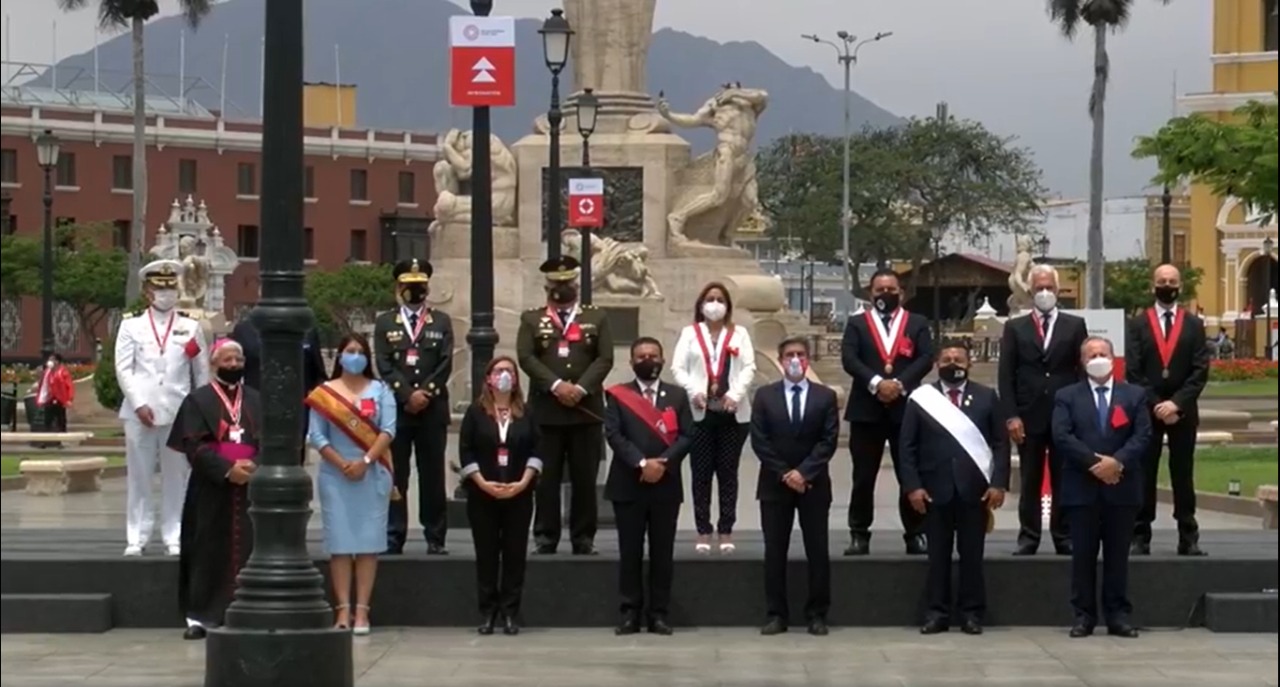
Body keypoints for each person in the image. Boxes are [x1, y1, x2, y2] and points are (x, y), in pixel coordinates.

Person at [899, 342, 1010, 636]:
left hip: (975, 491)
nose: (952, 363)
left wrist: (998, 483)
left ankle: (972, 614)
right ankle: (937, 613)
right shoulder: (922, 399)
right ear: (937, 364)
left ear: (969, 363)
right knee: (938, 558)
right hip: (934, 491)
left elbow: (1000, 444)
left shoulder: (987, 397)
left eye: (958, 358)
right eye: (946, 359)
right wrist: (913, 487)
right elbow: (906, 447)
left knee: (972, 557)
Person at [1051, 337, 1150, 639]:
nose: (1097, 357)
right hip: (1082, 489)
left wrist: (1116, 462)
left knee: (1118, 557)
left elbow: (1142, 435)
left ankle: (1118, 616)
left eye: (1102, 353)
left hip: (1122, 488)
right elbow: (1062, 435)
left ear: (1113, 357)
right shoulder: (1066, 396)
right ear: (1082, 361)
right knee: (1083, 556)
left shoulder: (1134, 395)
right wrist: (1096, 463)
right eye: (1091, 354)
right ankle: (1083, 616)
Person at [516, 255, 615, 555]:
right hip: (548, 410)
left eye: (567, 283)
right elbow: (526, 357)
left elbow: (605, 357)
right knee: (546, 480)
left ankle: (583, 537)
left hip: (586, 410)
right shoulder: (532, 319)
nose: (561, 288)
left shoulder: (595, 317)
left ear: (576, 284)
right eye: (555, 284)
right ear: (547, 286)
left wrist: (581, 388)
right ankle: (546, 536)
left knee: (585, 480)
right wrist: (558, 386)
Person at [166, 338, 261, 640]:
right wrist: (226, 470)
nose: (233, 365)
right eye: (227, 359)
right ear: (213, 363)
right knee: (206, 548)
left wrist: (252, 466)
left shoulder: (257, 400)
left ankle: (246, 610)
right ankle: (200, 616)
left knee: (249, 547)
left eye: (238, 359)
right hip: (210, 486)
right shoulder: (198, 400)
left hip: (250, 484)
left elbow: (270, 441)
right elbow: (193, 444)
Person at [115, 259, 210, 557]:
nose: (166, 294)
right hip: (139, 412)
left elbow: (201, 373)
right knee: (139, 475)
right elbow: (123, 369)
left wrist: (198, 412)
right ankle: (137, 536)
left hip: (178, 412)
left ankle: (175, 534)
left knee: (176, 476)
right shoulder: (131, 325)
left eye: (170, 288)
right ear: (147, 291)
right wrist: (139, 403)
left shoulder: (190, 327)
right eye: (159, 288)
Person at [305, 334, 397, 635]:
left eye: (360, 351)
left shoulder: (380, 390)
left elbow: (388, 431)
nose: (355, 356)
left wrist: (366, 462)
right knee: (341, 545)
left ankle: (362, 612)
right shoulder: (324, 393)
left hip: (372, 472)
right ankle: (342, 609)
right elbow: (316, 436)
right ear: (339, 356)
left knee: (368, 545)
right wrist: (341, 463)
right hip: (336, 474)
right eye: (349, 351)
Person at [605, 337, 695, 636]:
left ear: (663, 359)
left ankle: (658, 614)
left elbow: (686, 436)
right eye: (641, 356)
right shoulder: (618, 395)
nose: (648, 360)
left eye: (653, 355)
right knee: (630, 552)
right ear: (632, 362)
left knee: (662, 552)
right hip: (628, 484)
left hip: (665, 486)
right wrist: (643, 464)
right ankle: (630, 613)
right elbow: (614, 435)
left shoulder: (678, 396)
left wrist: (663, 464)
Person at [840, 268, 933, 555]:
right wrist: (878, 383)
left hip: (906, 409)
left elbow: (926, 357)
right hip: (867, 409)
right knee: (863, 476)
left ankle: (915, 532)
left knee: (910, 473)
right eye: (880, 290)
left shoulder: (916, 323)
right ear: (871, 293)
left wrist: (900, 384)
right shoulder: (857, 324)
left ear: (901, 293)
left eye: (891, 289)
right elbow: (849, 358)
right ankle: (859, 533)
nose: (886, 295)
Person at [751, 337, 839, 636]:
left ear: (808, 360)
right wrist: (786, 473)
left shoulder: (825, 396)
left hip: (813, 485)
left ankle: (817, 614)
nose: (795, 359)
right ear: (780, 359)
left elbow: (828, 441)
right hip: (775, 485)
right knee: (775, 552)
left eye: (800, 354)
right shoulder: (764, 396)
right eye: (789, 354)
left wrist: (804, 473)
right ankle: (776, 614)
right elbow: (759, 441)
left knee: (818, 550)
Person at [998, 264, 1088, 556]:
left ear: (1058, 290)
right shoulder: (1016, 327)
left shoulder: (1074, 326)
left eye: (1049, 287)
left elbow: (1082, 372)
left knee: (1065, 478)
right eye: (1039, 288)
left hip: (1064, 415)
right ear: (1030, 291)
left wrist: (1081, 413)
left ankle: (1064, 535)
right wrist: (1011, 415)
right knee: (1031, 478)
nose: (1045, 293)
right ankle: (1029, 536)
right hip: (1028, 414)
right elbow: (1006, 374)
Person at [1127, 264, 1210, 556]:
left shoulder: (1194, 324)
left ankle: (1188, 534)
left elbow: (1200, 370)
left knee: (1183, 473)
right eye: (1162, 281)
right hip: (1147, 412)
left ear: (1180, 287)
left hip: (1182, 411)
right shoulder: (1137, 324)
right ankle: (1140, 534)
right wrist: (1156, 405)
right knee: (1144, 472)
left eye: (1172, 281)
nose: (1167, 285)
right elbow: (1133, 371)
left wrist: (1177, 403)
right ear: (1153, 286)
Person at [373, 258, 454, 555]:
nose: (415, 291)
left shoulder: (441, 321)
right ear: (399, 287)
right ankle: (394, 535)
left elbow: (445, 363)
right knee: (397, 474)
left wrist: (426, 394)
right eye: (409, 286)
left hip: (432, 410)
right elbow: (384, 363)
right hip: (398, 409)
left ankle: (435, 536)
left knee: (432, 475)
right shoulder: (385, 322)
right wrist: (408, 395)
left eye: (420, 286)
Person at [458, 356, 543, 636]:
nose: (504, 375)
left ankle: (510, 612)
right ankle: (488, 613)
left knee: (515, 554)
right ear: (488, 378)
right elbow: (466, 450)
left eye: (509, 371)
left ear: (516, 378)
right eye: (498, 371)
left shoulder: (527, 412)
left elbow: (537, 450)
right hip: (483, 494)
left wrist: (523, 482)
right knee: (487, 554)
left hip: (519, 493)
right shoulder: (475, 412)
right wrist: (482, 482)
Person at [669, 282, 756, 554]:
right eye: (710, 299)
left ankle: (726, 529)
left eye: (720, 299)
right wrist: (693, 390)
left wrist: (736, 393)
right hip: (700, 412)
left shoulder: (739, 334)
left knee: (728, 473)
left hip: (732, 413)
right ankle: (703, 530)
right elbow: (678, 367)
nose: (715, 304)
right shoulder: (690, 333)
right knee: (701, 474)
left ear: (728, 306)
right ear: (701, 304)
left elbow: (749, 367)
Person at [230, 304, 326, 465]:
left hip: (296, 413)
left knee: (293, 462)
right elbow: (233, 372)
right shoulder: (245, 330)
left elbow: (318, 373)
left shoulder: (307, 330)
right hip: (256, 411)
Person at [33, 352, 74, 434]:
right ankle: (47, 439)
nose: (50, 361)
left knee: (61, 420)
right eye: (49, 359)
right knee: (47, 419)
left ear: (57, 361)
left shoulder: (63, 372)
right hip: (49, 398)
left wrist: (69, 399)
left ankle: (61, 439)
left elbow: (69, 386)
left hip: (60, 399)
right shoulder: (47, 372)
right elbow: (43, 384)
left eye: (52, 359)